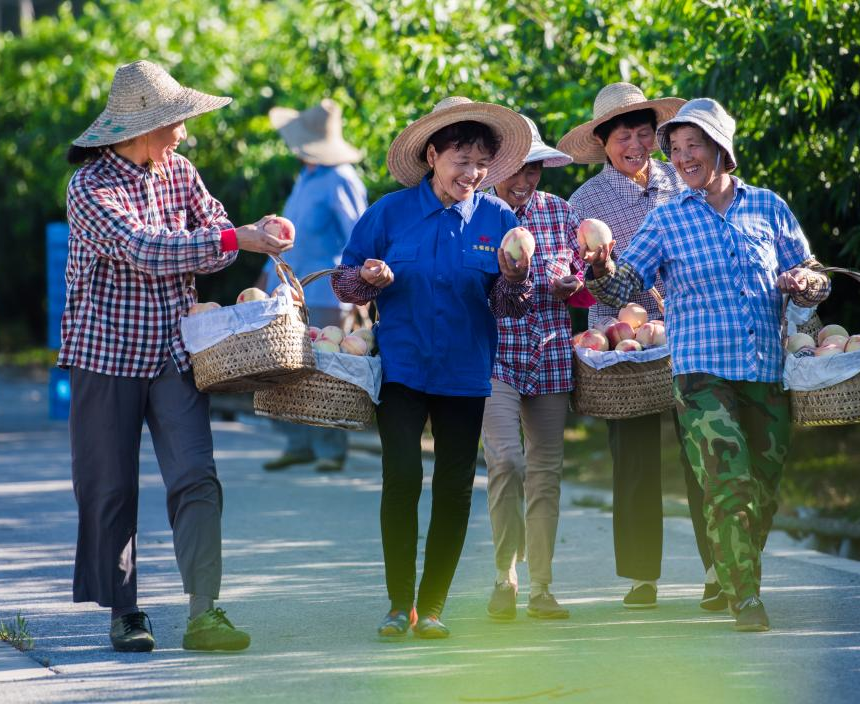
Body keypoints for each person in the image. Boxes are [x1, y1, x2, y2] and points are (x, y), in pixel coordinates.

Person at [61, 60, 292, 653]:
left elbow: (214, 245)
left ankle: (204, 612)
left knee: (196, 476)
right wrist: (230, 239)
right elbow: (144, 248)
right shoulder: (89, 187)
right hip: (106, 353)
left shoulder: (180, 172)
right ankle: (125, 611)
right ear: (141, 127)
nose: (184, 133)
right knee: (109, 486)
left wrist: (255, 232)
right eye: (176, 122)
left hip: (173, 351)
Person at [582, 97, 830, 631]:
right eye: (675, 149)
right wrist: (600, 267)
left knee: (761, 489)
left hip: (764, 370)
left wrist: (807, 283)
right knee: (727, 482)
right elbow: (627, 282)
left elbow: (810, 272)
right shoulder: (668, 217)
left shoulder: (767, 207)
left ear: (721, 147)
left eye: (693, 145)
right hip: (700, 373)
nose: (683, 156)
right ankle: (746, 597)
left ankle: (736, 569)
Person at [331, 97, 533, 639]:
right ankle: (400, 604)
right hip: (402, 368)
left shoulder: (500, 220)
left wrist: (516, 278)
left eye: (481, 163)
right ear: (432, 154)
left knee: (454, 486)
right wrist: (367, 280)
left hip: (466, 372)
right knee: (401, 478)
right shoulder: (388, 213)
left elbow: (510, 308)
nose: (472, 173)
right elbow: (343, 281)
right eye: (460, 159)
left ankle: (434, 605)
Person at [558, 82, 716, 610]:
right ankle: (641, 576)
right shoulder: (586, 202)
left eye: (645, 133)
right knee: (634, 457)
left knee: (703, 449)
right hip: (620, 341)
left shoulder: (681, 181)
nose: (635, 144)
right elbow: (580, 280)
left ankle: (719, 567)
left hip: (689, 331)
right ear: (603, 141)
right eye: (623, 134)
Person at [482, 115, 582, 621]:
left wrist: (572, 284)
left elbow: (579, 276)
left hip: (550, 352)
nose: (524, 182)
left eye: (534, 171)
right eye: (515, 170)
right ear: (497, 168)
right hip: (496, 354)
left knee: (546, 472)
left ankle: (541, 584)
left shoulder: (560, 214)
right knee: (506, 462)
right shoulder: (482, 215)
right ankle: (506, 572)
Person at [257, 99, 368, 473]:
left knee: (326, 369)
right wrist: (264, 275)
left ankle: (330, 447)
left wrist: (357, 288)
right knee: (288, 367)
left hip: (324, 290)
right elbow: (285, 236)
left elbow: (359, 236)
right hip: (287, 287)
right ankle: (298, 443)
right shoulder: (307, 176)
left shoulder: (341, 179)